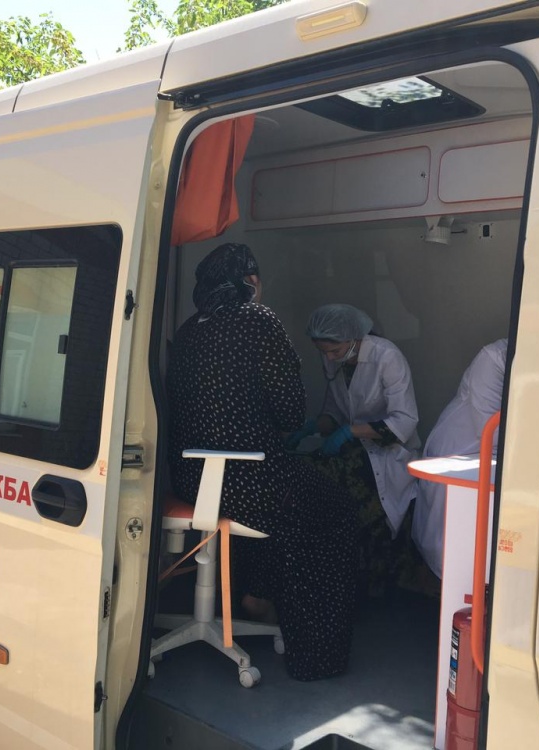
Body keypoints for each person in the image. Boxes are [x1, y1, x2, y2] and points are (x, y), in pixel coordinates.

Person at [166, 243, 356, 681]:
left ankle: (256, 596)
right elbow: (290, 413)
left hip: (192, 480)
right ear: (250, 280)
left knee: (278, 505)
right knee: (333, 511)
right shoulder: (258, 319)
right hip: (249, 480)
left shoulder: (189, 330)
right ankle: (316, 655)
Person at [288, 303, 427, 599]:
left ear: (353, 338)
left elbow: (404, 422)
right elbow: (335, 412)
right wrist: (310, 427)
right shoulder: (334, 360)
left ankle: (366, 589)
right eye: (323, 352)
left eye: (334, 351)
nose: (329, 357)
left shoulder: (386, 356)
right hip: (356, 447)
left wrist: (349, 432)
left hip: (390, 451)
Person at [414, 338, 508, 578]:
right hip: (462, 450)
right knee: (449, 548)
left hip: (494, 458)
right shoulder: (494, 358)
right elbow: (491, 429)